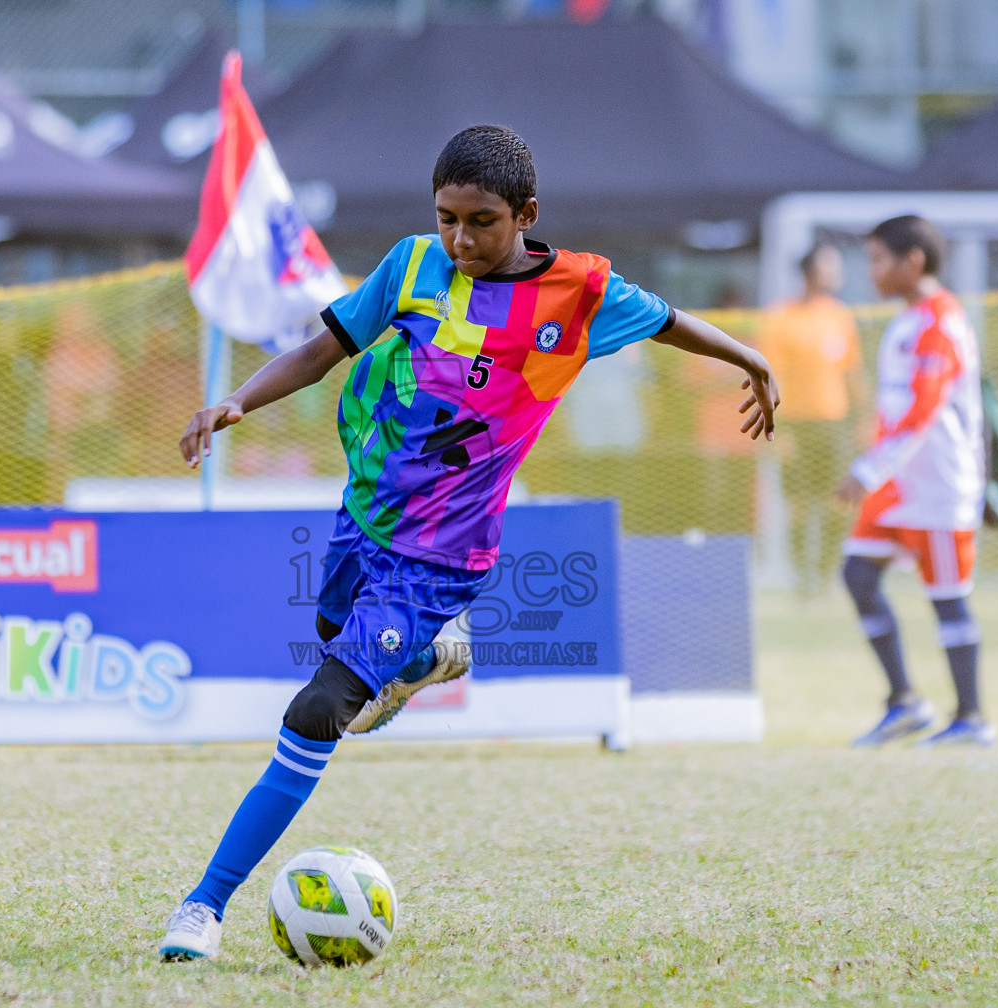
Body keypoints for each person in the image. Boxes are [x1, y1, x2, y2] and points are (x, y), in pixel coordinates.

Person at [160, 124, 782, 961]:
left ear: (525, 213)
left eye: (480, 221)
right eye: (447, 216)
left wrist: (752, 360)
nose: (460, 238)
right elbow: (321, 350)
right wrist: (238, 401)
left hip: (439, 561)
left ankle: (203, 907)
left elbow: (671, 322)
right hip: (364, 518)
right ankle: (425, 663)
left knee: (317, 707)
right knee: (335, 639)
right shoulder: (413, 265)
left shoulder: (581, 293)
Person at [838, 215, 992, 748]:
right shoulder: (905, 321)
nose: (871, 271)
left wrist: (868, 467)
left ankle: (972, 718)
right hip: (896, 485)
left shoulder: (941, 322)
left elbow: (925, 411)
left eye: (878, 258)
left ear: (914, 261)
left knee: (947, 598)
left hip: (938, 485)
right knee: (858, 574)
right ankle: (904, 702)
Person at [756, 243, 867, 596]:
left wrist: (866, 417)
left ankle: (827, 576)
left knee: (839, 501)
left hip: (834, 424)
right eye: (828, 266)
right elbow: (770, 377)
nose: (836, 273)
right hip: (795, 423)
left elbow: (853, 372)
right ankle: (802, 580)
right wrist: (778, 428)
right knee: (800, 506)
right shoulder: (780, 317)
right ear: (810, 272)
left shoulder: (840, 316)